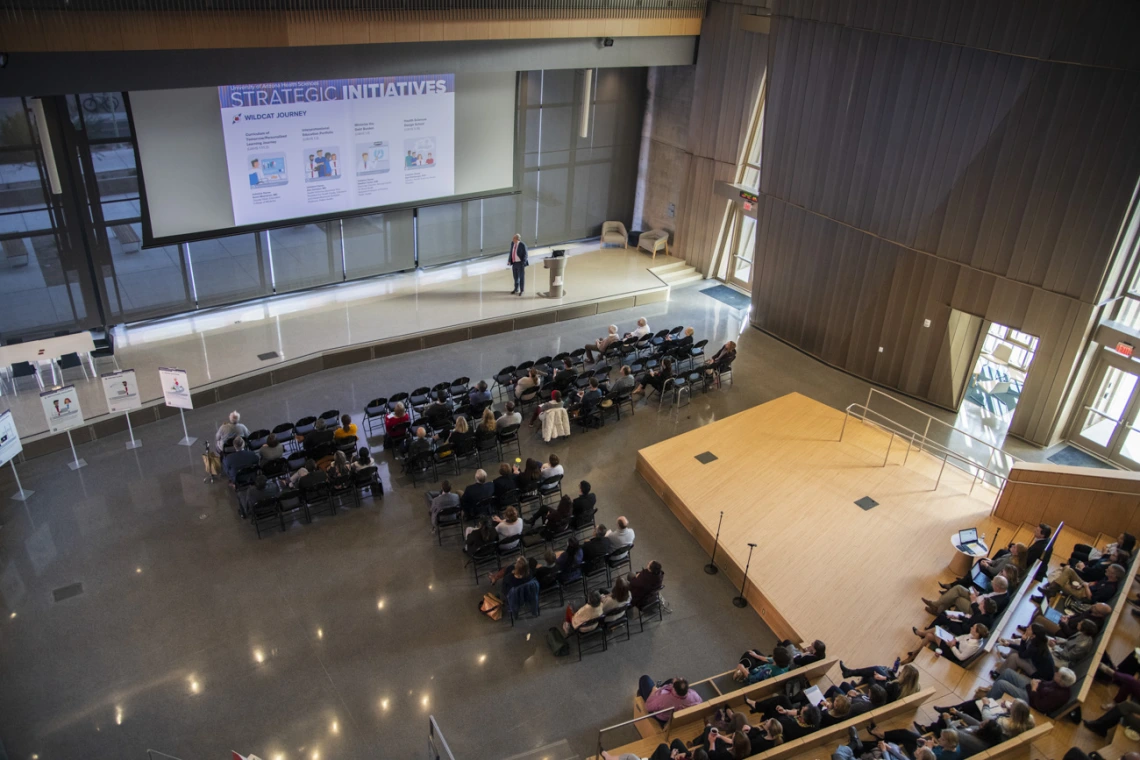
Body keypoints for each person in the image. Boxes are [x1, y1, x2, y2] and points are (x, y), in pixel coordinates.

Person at [988, 667, 1075, 714]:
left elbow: (1040, 706)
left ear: (1061, 680)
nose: (1055, 673)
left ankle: (987, 705)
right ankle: (992, 692)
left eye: (1058, 674)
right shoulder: (1059, 683)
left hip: (1030, 700)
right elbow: (1046, 684)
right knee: (1008, 672)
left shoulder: (1059, 695)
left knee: (1001, 684)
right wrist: (1037, 681)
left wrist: (1034, 689)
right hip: (1032, 688)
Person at [1036, 562, 1124, 604]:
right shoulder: (1107, 577)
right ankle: (1051, 592)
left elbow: (1091, 599)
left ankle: (1049, 592)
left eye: (1109, 570)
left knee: (1062, 584)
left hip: (1085, 595)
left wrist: (1085, 587)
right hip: (1086, 586)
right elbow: (1094, 583)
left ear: (1113, 575)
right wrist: (1083, 584)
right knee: (1069, 570)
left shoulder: (1109, 589)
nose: (1106, 569)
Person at [902, 623, 988, 665]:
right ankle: (915, 654)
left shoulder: (972, 646)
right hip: (954, 644)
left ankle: (920, 634)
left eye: (973, 628)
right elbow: (962, 637)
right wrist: (955, 640)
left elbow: (961, 657)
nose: (971, 628)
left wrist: (952, 646)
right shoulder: (973, 636)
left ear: (976, 633)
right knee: (928, 635)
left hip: (952, 653)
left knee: (936, 630)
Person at [924, 574, 1009, 617]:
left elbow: (983, 611)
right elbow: (988, 596)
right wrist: (978, 593)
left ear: (998, 587)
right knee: (958, 588)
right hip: (977, 599)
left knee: (957, 598)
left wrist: (974, 601)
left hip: (974, 608)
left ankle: (937, 608)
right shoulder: (1001, 591)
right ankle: (937, 606)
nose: (992, 585)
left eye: (993, 584)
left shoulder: (999, 601)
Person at [637, 676, 703, 724]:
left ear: (674, 689)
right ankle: (659, 687)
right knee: (670, 680)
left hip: (662, 718)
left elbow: (648, 707)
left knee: (645, 679)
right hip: (674, 716)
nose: (675, 678)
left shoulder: (664, 699)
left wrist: (654, 691)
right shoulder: (694, 695)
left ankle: (640, 695)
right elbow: (700, 702)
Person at [1070, 532, 1136, 565]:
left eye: (1121, 538)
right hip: (1097, 553)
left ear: (1124, 542)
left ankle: (1074, 565)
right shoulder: (1117, 544)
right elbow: (1105, 547)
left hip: (1095, 559)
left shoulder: (1121, 554)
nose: (1118, 538)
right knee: (1078, 546)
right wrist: (1105, 551)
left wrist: (1105, 552)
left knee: (1075, 554)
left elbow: (1104, 557)